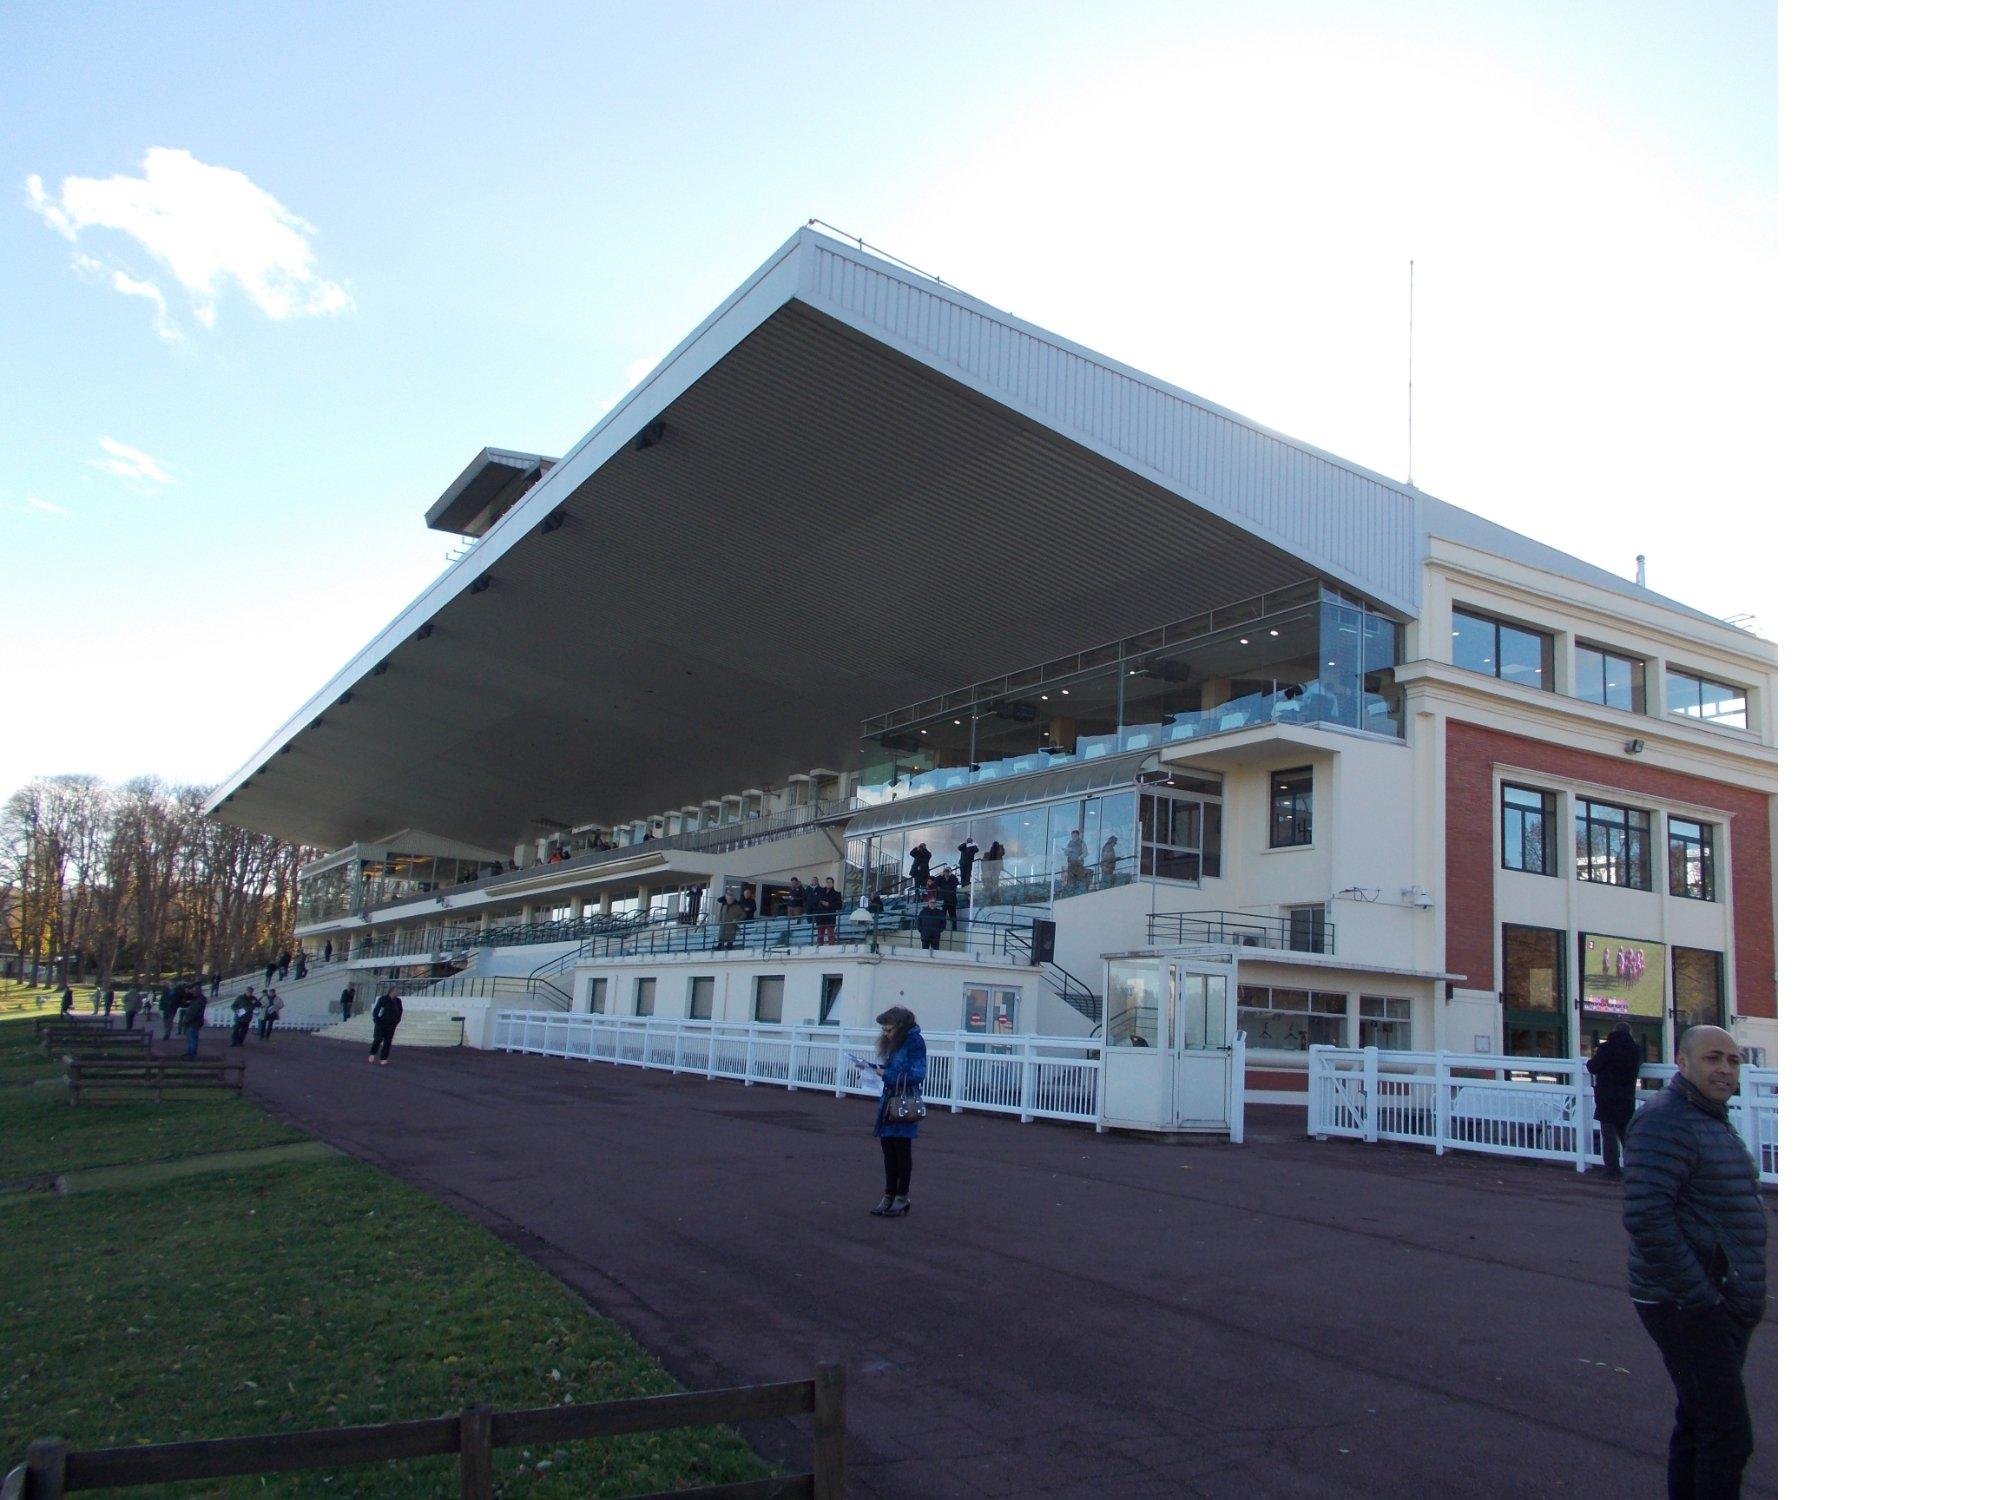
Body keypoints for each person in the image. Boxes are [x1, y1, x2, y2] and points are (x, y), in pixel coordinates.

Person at [1623, 1025, 1767, 1499]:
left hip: (1718, 1300)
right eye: (1713, 1059)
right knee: (1728, 1436)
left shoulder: (1707, 1118)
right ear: (1682, 1063)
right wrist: (1702, 1297)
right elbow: (1647, 1216)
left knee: (1700, 1423)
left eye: (1733, 1060)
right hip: (1687, 1303)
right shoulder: (1666, 1120)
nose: (1725, 1069)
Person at [866, 1005, 926, 1217]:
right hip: (889, 1101)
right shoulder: (896, 1043)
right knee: (888, 1150)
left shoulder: (914, 1042)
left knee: (901, 1151)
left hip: (903, 1102)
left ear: (900, 1027)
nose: (885, 1034)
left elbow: (918, 1074)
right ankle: (889, 1195)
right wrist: (874, 1069)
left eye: (888, 1029)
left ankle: (901, 1196)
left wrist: (886, 1074)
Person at [1587, 1022, 1643, 1178]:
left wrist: (1590, 1060)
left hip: (1606, 1097)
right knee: (1627, 1135)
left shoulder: (1606, 1048)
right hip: (1626, 1097)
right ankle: (1634, 1168)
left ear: (1614, 1031)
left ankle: (1612, 1170)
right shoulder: (1635, 1050)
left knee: (1609, 1137)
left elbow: (1593, 1067)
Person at [369, 988, 404, 1064]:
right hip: (381, 1023)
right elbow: (377, 1010)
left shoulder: (398, 1001)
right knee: (378, 1039)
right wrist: (377, 1020)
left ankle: (383, 1058)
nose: (398, 992)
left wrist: (397, 1021)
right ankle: (372, 1053)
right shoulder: (383, 999)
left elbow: (400, 1011)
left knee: (388, 1042)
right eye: (396, 991)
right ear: (391, 992)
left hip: (391, 1024)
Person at [813, 877, 841, 946]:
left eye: (830, 882)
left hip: (830, 917)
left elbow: (839, 906)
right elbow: (814, 902)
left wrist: (829, 904)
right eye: (827, 882)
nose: (828, 884)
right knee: (820, 936)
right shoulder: (820, 892)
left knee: (831, 935)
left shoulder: (836, 894)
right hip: (820, 916)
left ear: (833, 884)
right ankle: (819, 949)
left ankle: (832, 948)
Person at [181, 987, 207, 1057]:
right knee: (190, 1037)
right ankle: (190, 1051)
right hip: (192, 1021)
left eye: (194, 992)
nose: (192, 993)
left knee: (192, 1037)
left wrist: (187, 1020)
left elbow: (195, 1012)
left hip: (194, 1021)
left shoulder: (199, 1000)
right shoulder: (198, 999)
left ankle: (192, 1052)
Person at [936, 867, 961, 932]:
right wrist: (941, 874)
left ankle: (954, 929)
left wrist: (951, 875)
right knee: (942, 915)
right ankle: (942, 928)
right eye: (945, 871)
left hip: (951, 900)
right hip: (943, 900)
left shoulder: (953, 878)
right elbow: (936, 882)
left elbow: (956, 882)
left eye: (948, 871)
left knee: (953, 916)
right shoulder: (941, 879)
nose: (946, 872)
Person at [981, 840, 1004, 905]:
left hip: (989, 875)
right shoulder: (998, 855)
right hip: (992, 874)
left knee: (990, 887)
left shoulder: (989, 854)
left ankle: (990, 900)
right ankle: (993, 900)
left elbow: (985, 865)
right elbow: (999, 865)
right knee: (993, 886)